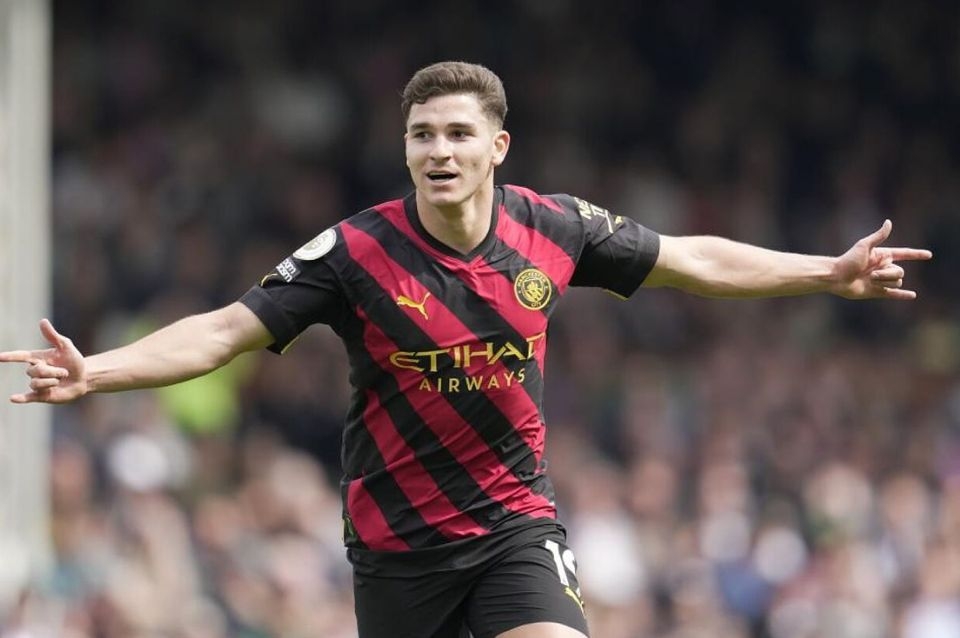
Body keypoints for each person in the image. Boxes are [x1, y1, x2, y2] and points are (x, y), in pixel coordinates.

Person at [0, 61, 932, 638]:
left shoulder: (554, 227)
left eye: (457, 134)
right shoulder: (354, 251)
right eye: (421, 135)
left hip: (513, 526)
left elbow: (693, 261)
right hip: (397, 551)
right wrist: (98, 373)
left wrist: (827, 272)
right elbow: (223, 331)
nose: (438, 150)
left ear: (497, 147)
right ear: (405, 149)